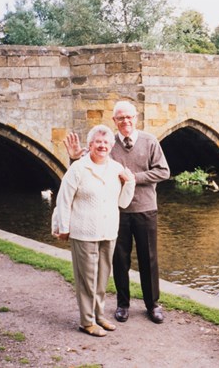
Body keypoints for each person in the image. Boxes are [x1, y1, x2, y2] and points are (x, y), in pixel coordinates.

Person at [64, 101, 170, 324]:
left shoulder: (150, 141)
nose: (125, 121)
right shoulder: (109, 142)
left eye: (129, 117)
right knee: (119, 259)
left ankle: (153, 305)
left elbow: (163, 171)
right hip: (115, 211)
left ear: (136, 118)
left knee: (148, 258)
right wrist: (73, 158)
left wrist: (133, 178)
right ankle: (123, 305)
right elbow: (86, 164)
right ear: (114, 121)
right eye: (120, 118)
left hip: (145, 208)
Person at [53, 124, 135, 337]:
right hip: (84, 231)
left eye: (106, 142)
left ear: (111, 145)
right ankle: (86, 321)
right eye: (98, 142)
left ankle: (99, 315)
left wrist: (130, 183)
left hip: (108, 231)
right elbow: (64, 200)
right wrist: (63, 227)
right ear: (89, 145)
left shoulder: (116, 168)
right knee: (87, 279)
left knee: (102, 278)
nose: (102, 145)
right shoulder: (78, 169)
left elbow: (123, 203)